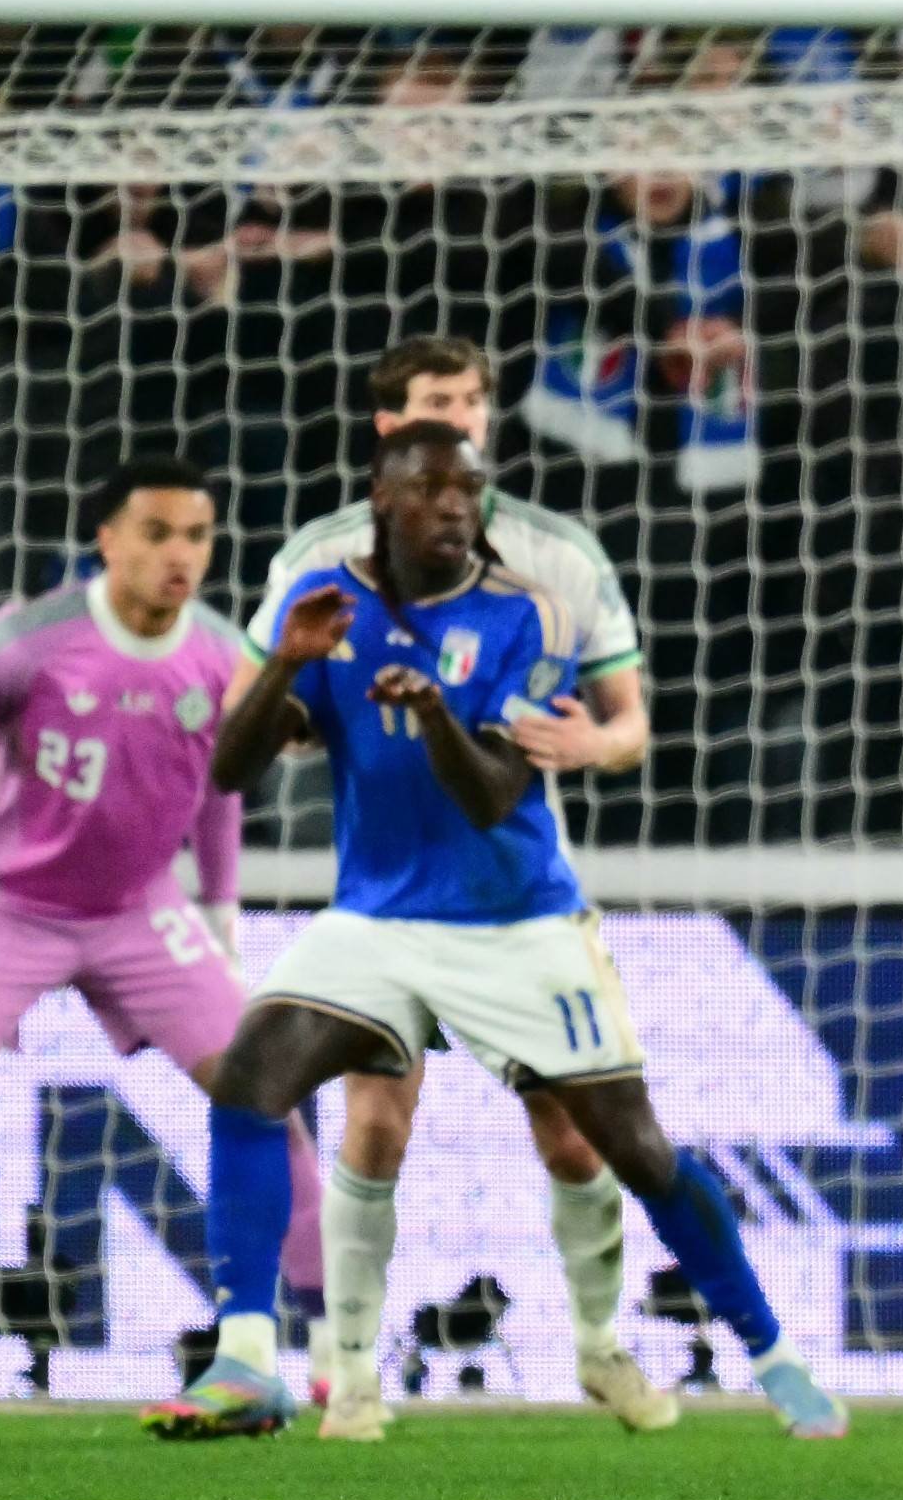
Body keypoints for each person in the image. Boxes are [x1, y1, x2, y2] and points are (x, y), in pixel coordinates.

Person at [141, 420, 843, 1443]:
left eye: (470, 488)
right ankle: (249, 1356)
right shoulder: (324, 605)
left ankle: (772, 1351)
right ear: (381, 497)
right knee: (250, 1076)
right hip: (378, 919)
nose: (457, 505)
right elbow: (231, 770)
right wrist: (288, 663)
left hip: (516, 922)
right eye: (431, 487)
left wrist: (432, 713)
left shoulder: (523, 617)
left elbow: (496, 792)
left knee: (634, 1150)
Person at [253, 337, 674, 1434]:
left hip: (514, 894)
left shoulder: (553, 561)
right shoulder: (319, 558)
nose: (464, 418)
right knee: (375, 1123)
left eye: (475, 402)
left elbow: (627, 723)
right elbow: (271, 709)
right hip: (385, 890)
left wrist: (600, 750)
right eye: (439, 403)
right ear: (388, 426)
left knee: (574, 1134)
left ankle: (599, 1344)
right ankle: (348, 1373)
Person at [0, 460, 326, 1374]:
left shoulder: (218, 651)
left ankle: (338, 1337)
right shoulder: (22, 642)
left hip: (141, 909)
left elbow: (221, 785)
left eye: (197, 537)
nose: (180, 556)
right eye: (158, 534)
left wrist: (218, 912)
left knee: (262, 1089)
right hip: (11, 905)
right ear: (107, 540)